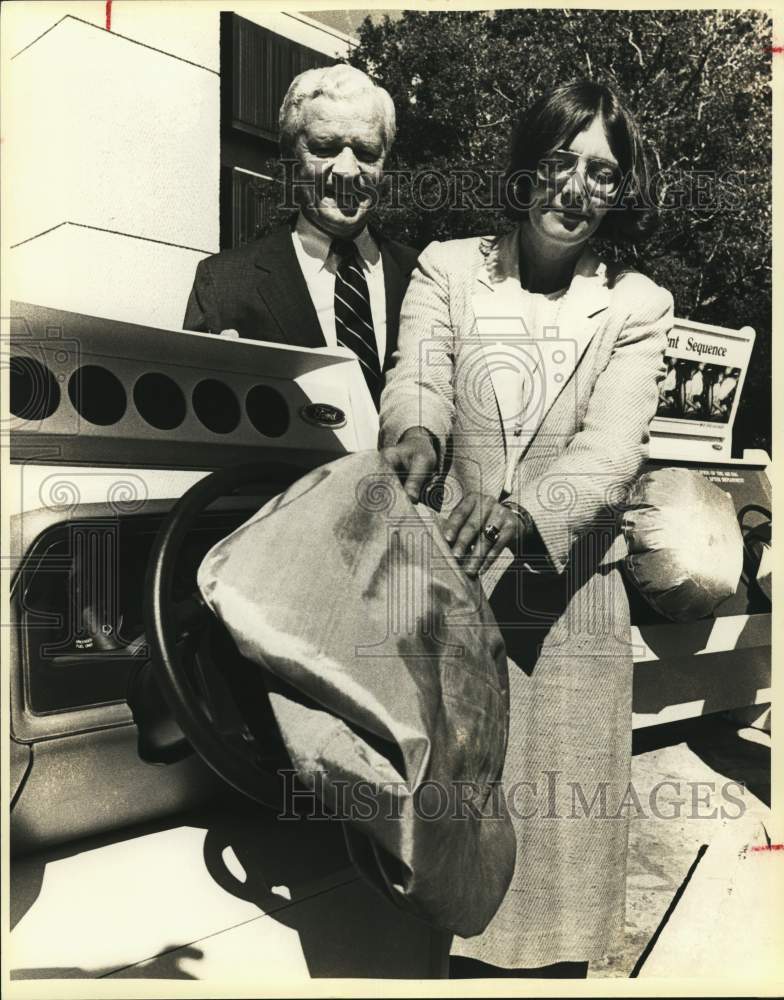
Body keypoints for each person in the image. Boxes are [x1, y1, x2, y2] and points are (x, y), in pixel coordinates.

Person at [380, 79, 673, 977]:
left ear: (619, 192)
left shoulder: (637, 305)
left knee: (559, 869)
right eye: (558, 162)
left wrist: (521, 516)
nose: (575, 188)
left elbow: (610, 451)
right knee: (452, 852)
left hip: (571, 617)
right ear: (526, 167)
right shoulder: (446, 268)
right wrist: (417, 435)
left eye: (602, 172)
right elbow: (417, 377)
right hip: (452, 600)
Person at [183, 64, 418, 410]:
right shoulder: (223, 285)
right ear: (290, 157)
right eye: (325, 149)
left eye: (367, 153)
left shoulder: (424, 276)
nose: (348, 171)